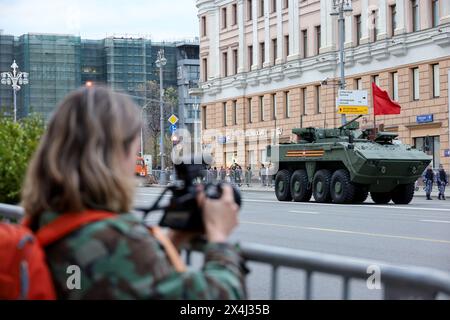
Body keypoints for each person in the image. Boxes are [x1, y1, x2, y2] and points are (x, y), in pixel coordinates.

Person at [21, 86, 247, 300]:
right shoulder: (117, 240)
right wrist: (219, 237)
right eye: (134, 149)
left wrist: (172, 242)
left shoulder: (43, 221)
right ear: (114, 155)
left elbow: (122, 285)